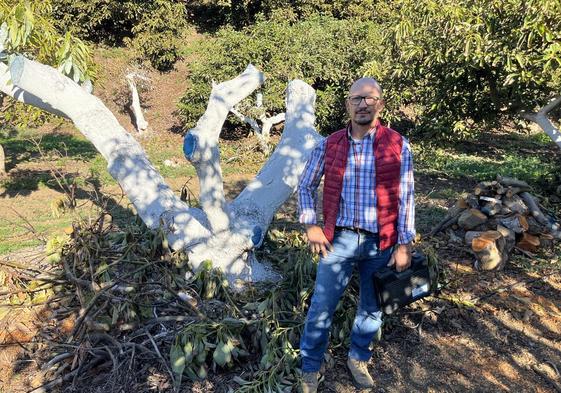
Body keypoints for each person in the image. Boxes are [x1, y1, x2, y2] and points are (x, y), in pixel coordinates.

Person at [297, 77, 415, 392]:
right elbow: (305, 185)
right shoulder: (329, 144)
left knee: (372, 307)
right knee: (322, 304)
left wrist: (404, 244)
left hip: (382, 242)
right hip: (340, 240)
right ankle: (310, 366)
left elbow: (406, 198)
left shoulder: (399, 145)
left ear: (381, 104)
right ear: (348, 105)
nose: (363, 104)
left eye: (369, 98)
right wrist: (311, 225)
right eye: (356, 98)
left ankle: (358, 358)